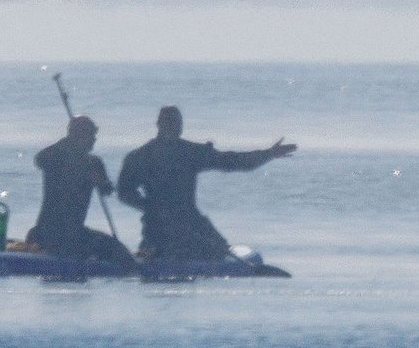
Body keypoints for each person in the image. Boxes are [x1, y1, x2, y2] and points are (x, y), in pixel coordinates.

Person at [117, 105, 295, 260]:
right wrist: (153, 209)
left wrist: (268, 154)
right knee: (216, 251)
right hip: (160, 226)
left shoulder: (189, 152)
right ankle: (151, 251)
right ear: (159, 125)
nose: (174, 127)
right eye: (170, 122)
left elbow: (232, 161)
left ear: (180, 127)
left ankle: (155, 250)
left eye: (176, 123)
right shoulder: (140, 157)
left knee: (219, 250)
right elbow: (124, 193)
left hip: (188, 223)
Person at [26, 115, 137, 271]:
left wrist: (101, 181)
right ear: (78, 136)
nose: (94, 140)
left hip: (75, 232)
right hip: (48, 231)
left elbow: (107, 190)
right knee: (121, 256)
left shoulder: (93, 163)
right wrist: (69, 145)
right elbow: (39, 159)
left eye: (94, 136)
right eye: (90, 136)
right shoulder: (56, 156)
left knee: (119, 251)